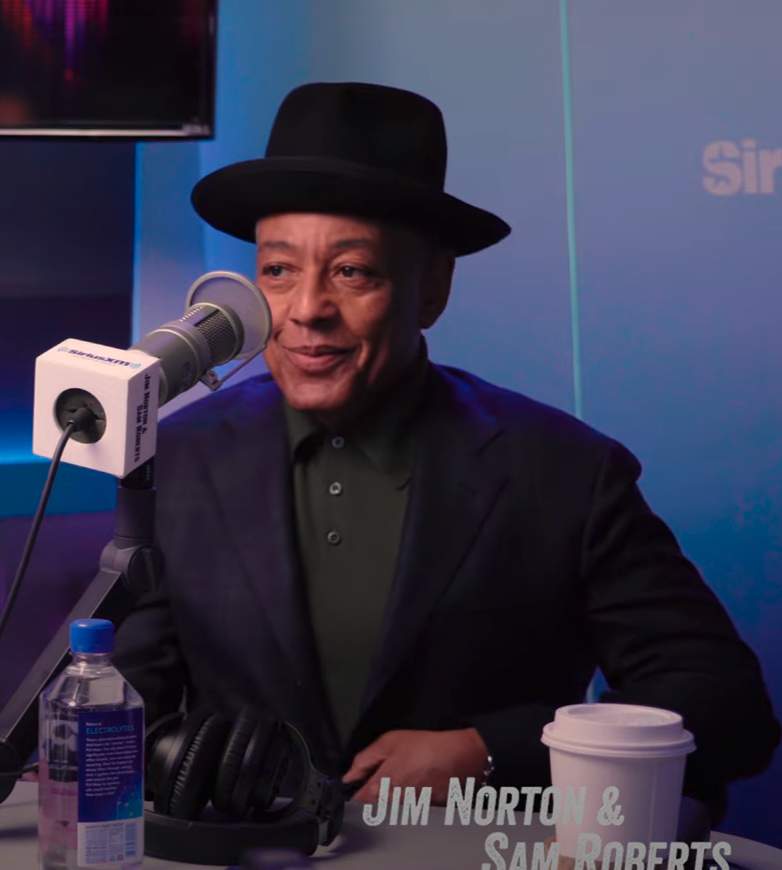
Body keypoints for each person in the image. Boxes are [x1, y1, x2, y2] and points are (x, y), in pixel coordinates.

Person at [113, 82, 779, 821]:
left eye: (351, 271)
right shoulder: (178, 457)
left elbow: (726, 709)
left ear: (432, 289)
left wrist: (489, 751)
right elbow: (117, 702)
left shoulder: (565, 472)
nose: (306, 310)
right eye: (278, 271)